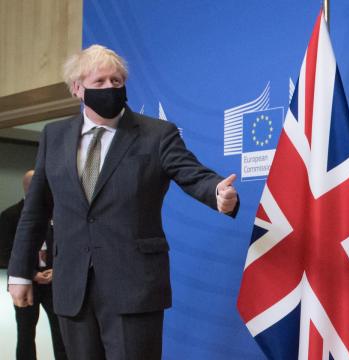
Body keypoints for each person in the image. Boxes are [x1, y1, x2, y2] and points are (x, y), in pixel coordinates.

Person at [8, 44, 239, 360]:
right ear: (78, 88)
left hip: (134, 287)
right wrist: (20, 274)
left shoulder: (156, 134)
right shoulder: (54, 136)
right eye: (100, 82)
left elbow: (191, 173)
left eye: (116, 82)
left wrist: (217, 193)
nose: (110, 89)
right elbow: (34, 212)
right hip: (73, 289)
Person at [1, 170, 67, 360]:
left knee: (61, 333)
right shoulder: (10, 216)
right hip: (25, 283)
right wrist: (31, 274)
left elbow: (67, 247)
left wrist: (57, 270)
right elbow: (4, 254)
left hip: (54, 283)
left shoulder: (58, 215)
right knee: (26, 333)